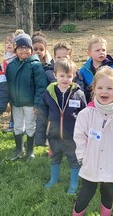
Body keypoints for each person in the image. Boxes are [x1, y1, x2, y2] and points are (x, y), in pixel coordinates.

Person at [72, 67, 113, 216]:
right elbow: (79, 137)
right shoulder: (86, 114)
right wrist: (82, 157)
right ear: (94, 89)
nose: (104, 92)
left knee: (108, 194)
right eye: (100, 87)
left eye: (109, 88)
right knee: (86, 192)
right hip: (91, 161)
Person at [37, 59, 87, 195]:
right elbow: (42, 115)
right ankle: (54, 179)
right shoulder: (48, 93)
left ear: (74, 75)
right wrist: (40, 135)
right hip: (54, 135)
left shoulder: (79, 94)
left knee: (74, 160)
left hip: (72, 137)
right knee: (55, 158)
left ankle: (74, 183)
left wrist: (85, 135)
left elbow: (85, 115)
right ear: (55, 75)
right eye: (62, 76)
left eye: (69, 76)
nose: (65, 79)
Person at [5, 33, 48, 161]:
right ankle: (19, 149)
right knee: (17, 126)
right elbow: (8, 84)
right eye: (20, 47)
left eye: (27, 47)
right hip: (16, 103)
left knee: (30, 125)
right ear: (15, 50)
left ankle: (30, 151)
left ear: (31, 49)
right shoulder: (11, 66)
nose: (24, 50)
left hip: (30, 103)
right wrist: (8, 101)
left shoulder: (35, 65)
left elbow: (41, 86)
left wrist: (37, 104)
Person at [80, 36, 113, 102]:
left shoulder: (112, 69)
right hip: (90, 102)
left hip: (107, 100)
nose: (101, 52)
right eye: (97, 50)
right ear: (89, 53)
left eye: (103, 50)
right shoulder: (84, 70)